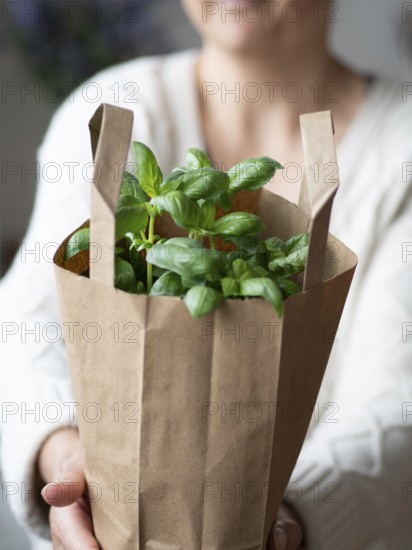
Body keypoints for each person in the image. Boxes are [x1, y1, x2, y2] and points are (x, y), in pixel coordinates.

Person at [1, 0, 412, 548]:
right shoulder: (114, 109)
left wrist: (285, 519)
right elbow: (25, 330)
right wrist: (65, 454)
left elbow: (397, 406)